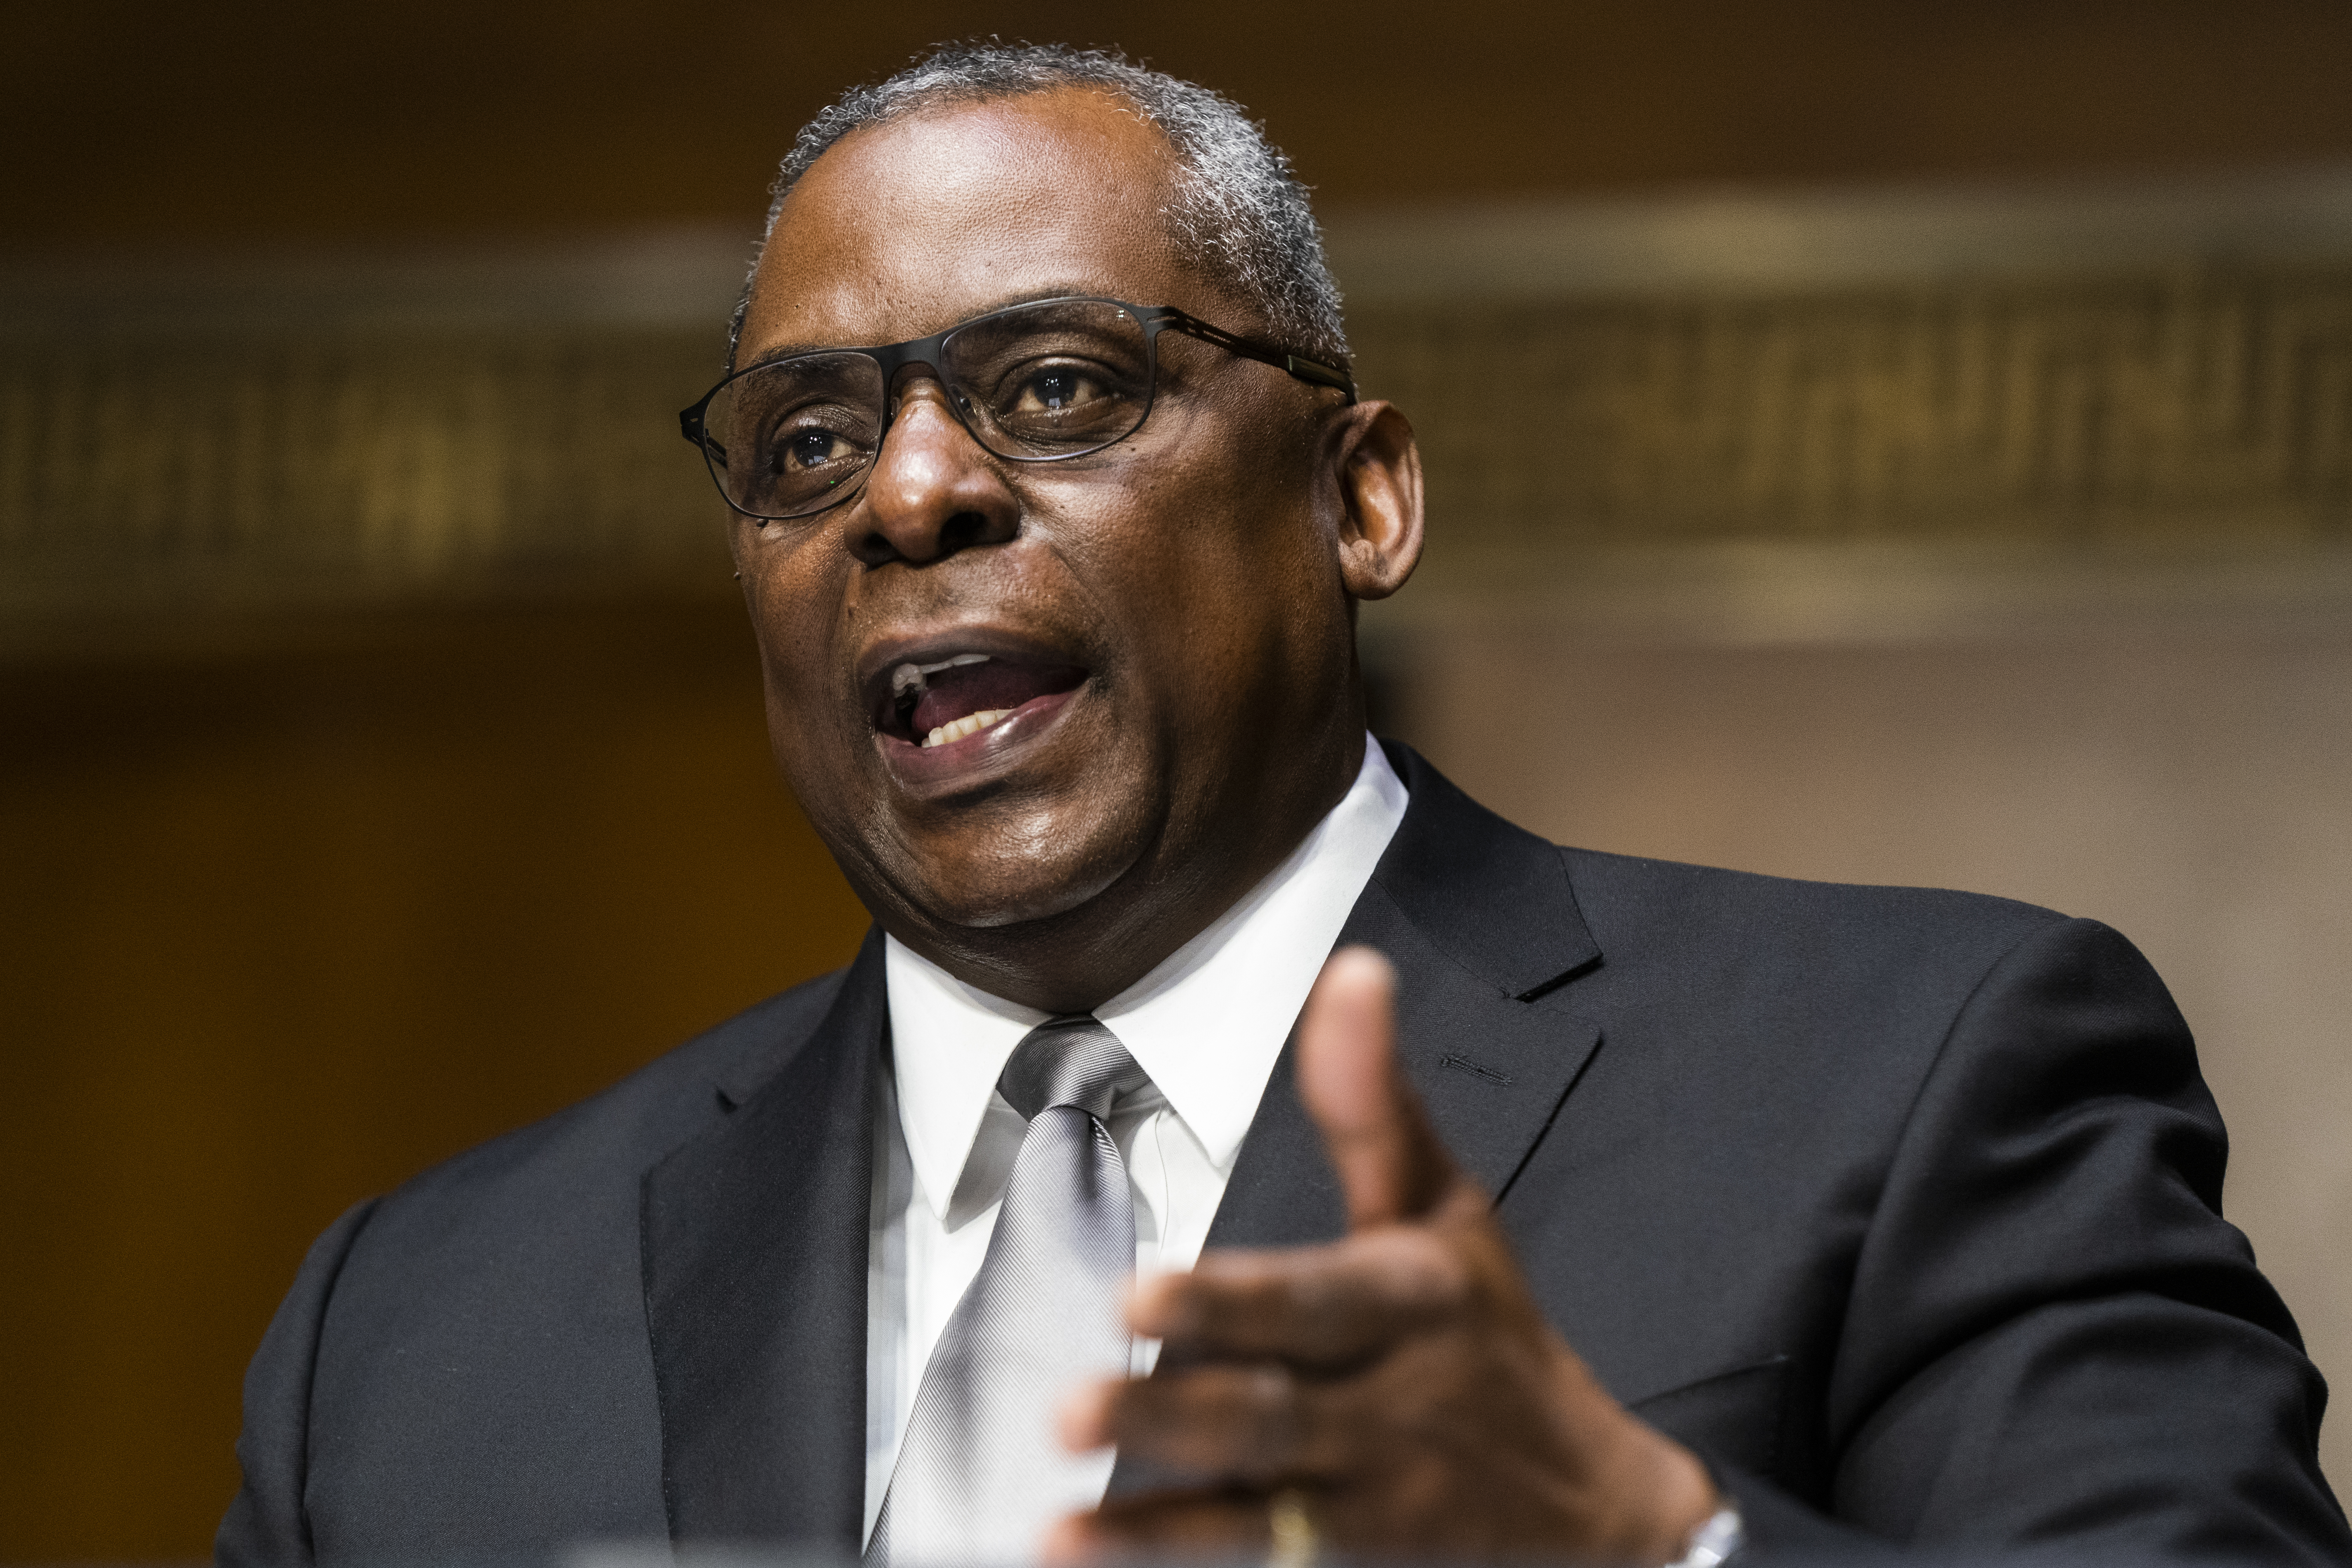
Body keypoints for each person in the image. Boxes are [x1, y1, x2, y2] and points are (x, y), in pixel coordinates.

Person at [218, 43, 2348, 1568]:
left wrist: (1654, 1553)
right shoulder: (415, 1332)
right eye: (801, 444)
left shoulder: (1916, 1073)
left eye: (1057, 385)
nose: (912, 490)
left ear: (1359, 499)